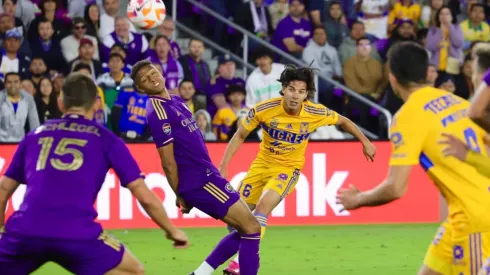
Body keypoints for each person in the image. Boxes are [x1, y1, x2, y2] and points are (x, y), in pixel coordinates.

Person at [0, 72, 188, 274]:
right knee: (133, 271)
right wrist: (172, 230)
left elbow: (3, 189)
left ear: (61, 102)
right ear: (96, 104)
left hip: (26, 231)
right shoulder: (107, 139)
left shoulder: (34, 136)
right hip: (78, 234)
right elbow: (144, 195)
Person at [337, 41, 490, 275]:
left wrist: (358, 199)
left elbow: (396, 187)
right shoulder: (458, 102)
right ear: (427, 73)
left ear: (392, 78)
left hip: (476, 220)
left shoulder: (406, 117)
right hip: (462, 214)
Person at [220, 64, 376, 275]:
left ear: (306, 94)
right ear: (284, 88)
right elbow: (239, 135)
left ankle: (240, 262)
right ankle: (246, 255)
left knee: (262, 210)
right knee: (234, 218)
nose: (296, 96)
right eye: (292, 89)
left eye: (301, 92)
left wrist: (365, 142)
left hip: (287, 170)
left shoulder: (313, 112)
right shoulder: (264, 109)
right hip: (261, 166)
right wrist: (223, 165)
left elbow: (344, 121)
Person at [129, 60, 262, 275]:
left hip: (207, 175)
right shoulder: (157, 110)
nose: (152, 78)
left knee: (246, 228)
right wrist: (180, 192)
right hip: (200, 180)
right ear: (141, 88)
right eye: (145, 79)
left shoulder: (175, 100)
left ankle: (199, 274)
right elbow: (167, 160)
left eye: (153, 72)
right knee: (252, 228)